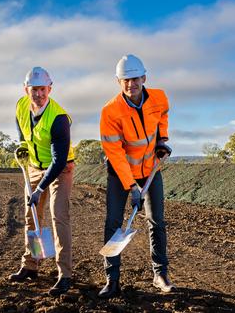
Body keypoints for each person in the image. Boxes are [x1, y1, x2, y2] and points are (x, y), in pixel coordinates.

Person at [98, 54, 174, 298]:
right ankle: (112, 279)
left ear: (144, 77)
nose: (130, 84)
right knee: (113, 223)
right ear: (118, 82)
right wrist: (132, 187)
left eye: (134, 79)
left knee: (157, 221)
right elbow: (115, 153)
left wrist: (162, 139)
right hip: (121, 174)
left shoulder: (159, 97)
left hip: (151, 170)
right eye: (125, 80)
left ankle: (160, 274)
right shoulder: (110, 111)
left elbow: (162, 116)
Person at [9, 66, 76, 296]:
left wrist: (39, 188)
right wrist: (21, 146)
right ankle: (31, 264)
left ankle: (64, 274)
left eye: (42, 89)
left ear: (50, 88)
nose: (38, 94)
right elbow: (22, 133)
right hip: (34, 166)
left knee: (59, 217)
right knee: (31, 217)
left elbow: (58, 161)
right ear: (26, 89)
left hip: (60, 169)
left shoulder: (58, 118)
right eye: (33, 89)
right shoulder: (20, 105)